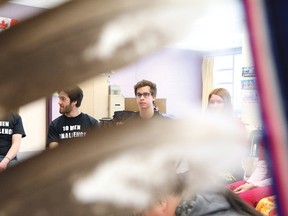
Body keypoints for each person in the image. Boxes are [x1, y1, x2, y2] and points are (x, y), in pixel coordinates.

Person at [226, 141, 274, 207]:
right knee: (225, 191)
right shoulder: (264, 140)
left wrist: (254, 185)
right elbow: (262, 167)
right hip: (266, 179)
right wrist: (248, 184)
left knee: (243, 198)